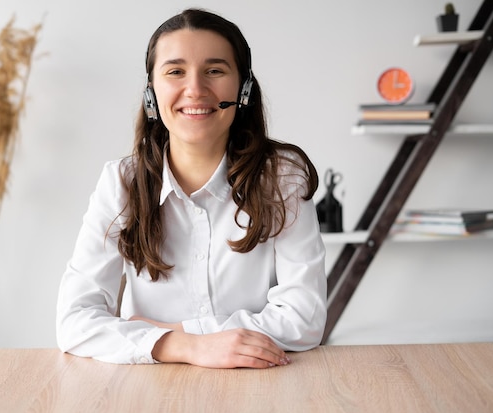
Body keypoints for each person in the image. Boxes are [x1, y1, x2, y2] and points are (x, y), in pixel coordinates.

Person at [56, 8, 326, 369]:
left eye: (214, 71)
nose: (195, 90)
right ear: (151, 93)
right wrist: (187, 347)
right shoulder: (121, 182)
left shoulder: (281, 179)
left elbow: (304, 320)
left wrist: (173, 330)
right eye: (175, 72)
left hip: (262, 383)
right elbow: (74, 322)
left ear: (243, 89)